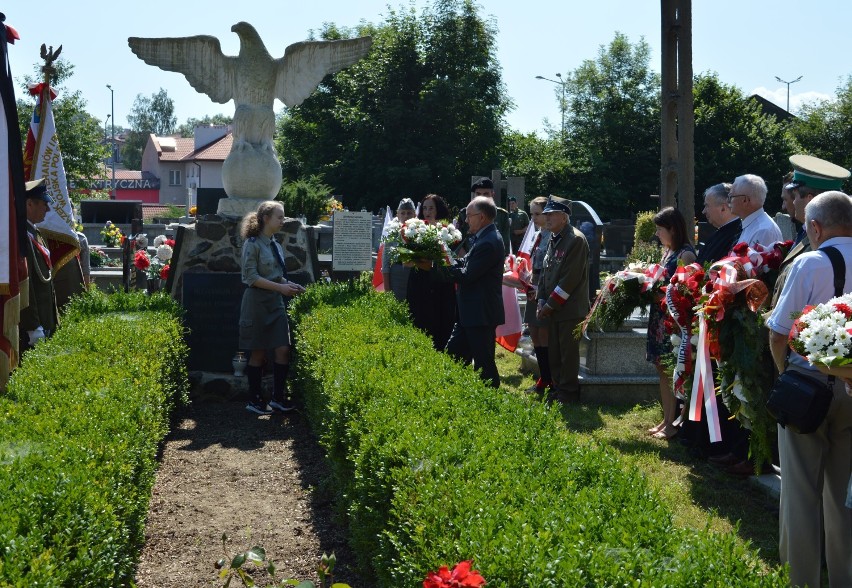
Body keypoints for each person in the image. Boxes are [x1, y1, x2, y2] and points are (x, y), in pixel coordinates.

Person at [766, 191, 852, 588]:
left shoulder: (811, 262)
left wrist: (787, 376)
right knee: (844, 496)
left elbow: (780, 333)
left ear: (815, 227)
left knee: (800, 492)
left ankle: (802, 580)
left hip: (809, 387)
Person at [426, 196, 504, 387]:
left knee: (484, 365)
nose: (466, 220)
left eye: (469, 216)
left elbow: (467, 275)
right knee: (453, 356)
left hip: (480, 314)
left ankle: (492, 403)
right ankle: (458, 395)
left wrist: (443, 265)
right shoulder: (483, 237)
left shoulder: (489, 241)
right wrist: (443, 256)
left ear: (482, 217)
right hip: (469, 314)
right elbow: (464, 261)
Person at [239, 200, 306, 415]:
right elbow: (250, 277)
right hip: (257, 303)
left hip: (275, 302)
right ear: (266, 218)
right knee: (258, 352)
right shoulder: (252, 243)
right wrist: (280, 287)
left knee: (283, 349)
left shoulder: (275, 245)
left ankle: (278, 398)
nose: (282, 220)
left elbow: (276, 276)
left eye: (283, 216)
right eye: (279, 216)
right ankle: (255, 399)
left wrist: (289, 284)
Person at [646, 207, 695, 439]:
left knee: (670, 369)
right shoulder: (668, 251)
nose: (656, 234)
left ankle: (674, 423)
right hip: (659, 317)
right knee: (662, 369)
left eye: (659, 229)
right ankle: (666, 419)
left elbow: (683, 292)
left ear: (673, 229)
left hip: (672, 321)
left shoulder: (685, 255)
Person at [536, 196, 590, 404]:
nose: (546, 218)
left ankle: (568, 392)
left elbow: (570, 279)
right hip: (553, 307)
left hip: (569, 308)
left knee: (567, 353)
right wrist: (541, 299)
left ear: (564, 217)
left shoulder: (575, 240)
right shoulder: (554, 237)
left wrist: (549, 304)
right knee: (555, 352)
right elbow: (545, 272)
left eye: (551, 214)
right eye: (546, 214)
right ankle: (558, 388)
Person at [406, 194, 457, 350]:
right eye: (425, 208)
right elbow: (406, 260)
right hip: (419, 283)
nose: (427, 211)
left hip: (440, 284)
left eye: (431, 208)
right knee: (420, 319)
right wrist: (420, 262)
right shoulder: (413, 230)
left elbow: (452, 258)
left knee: (440, 320)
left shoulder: (447, 231)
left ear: (438, 210)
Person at [19, 179, 59, 352]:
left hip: (45, 320)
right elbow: (26, 285)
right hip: (33, 327)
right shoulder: (21, 238)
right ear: (29, 204)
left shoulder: (36, 234)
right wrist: (33, 326)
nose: (48, 209)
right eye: (44, 204)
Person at [524, 196, 552, 394]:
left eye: (537, 214)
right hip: (532, 286)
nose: (533, 218)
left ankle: (549, 379)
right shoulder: (538, 234)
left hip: (543, 289)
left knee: (544, 334)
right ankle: (543, 377)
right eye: (532, 213)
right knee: (534, 332)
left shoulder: (552, 235)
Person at [456, 177, 511, 256]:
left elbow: (505, 245)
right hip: (467, 260)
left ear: (492, 194)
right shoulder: (464, 214)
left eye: (486, 194)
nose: (481, 197)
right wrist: (468, 260)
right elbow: (458, 243)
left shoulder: (502, 215)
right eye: (478, 194)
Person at [727, 174, 782, 247]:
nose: (728, 201)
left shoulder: (762, 231)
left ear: (745, 200)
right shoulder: (754, 225)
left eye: (731, 196)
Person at [695, 183, 740, 265]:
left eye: (707, 206)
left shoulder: (737, 236)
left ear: (723, 208)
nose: (703, 211)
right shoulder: (721, 233)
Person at [381, 197, 416, 301]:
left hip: (414, 275)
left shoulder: (420, 232)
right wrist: (387, 289)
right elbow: (385, 263)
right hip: (397, 276)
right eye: (403, 213)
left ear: (414, 214)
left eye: (409, 213)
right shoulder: (392, 233)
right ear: (398, 214)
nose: (406, 216)